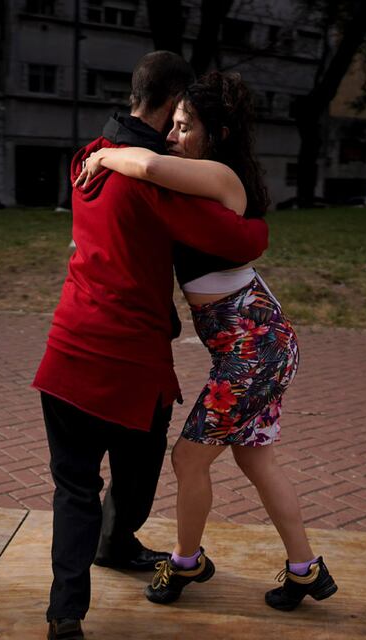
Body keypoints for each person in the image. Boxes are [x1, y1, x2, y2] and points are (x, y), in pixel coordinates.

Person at [32, 53, 270, 640]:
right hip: (130, 364)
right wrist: (255, 222)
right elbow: (242, 239)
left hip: (64, 353)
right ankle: (116, 541)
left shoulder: (86, 157)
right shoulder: (154, 183)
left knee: (74, 489)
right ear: (172, 105)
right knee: (136, 475)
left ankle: (67, 612)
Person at [79, 71, 337, 611]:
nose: (172, 136)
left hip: (252, 348)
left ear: (216, 133)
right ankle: (305, 569)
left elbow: (149, 166)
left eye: (185, 126)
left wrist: (101, 156)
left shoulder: (221, 174)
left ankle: (184, 563)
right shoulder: (198, 179)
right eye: (172, 124)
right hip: (259, 343)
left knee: (188, 459)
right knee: (256, 459)